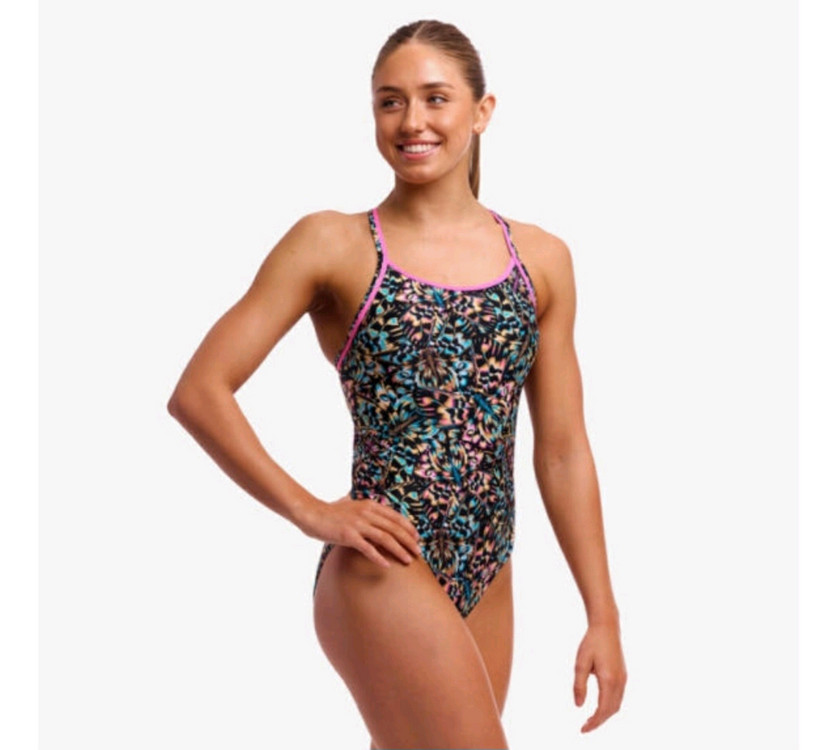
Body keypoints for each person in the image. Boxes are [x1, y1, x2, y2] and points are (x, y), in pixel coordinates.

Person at [168, 18, 627, 750]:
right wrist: (312, 512)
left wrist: (602, 613)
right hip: (384, 561)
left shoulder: (540, 261)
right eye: (391, 101)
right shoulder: (334, 243)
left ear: (481, 111)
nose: (412, 121)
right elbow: (200, 390)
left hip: (489, 565)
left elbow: (564, 450)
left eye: (435, 98)